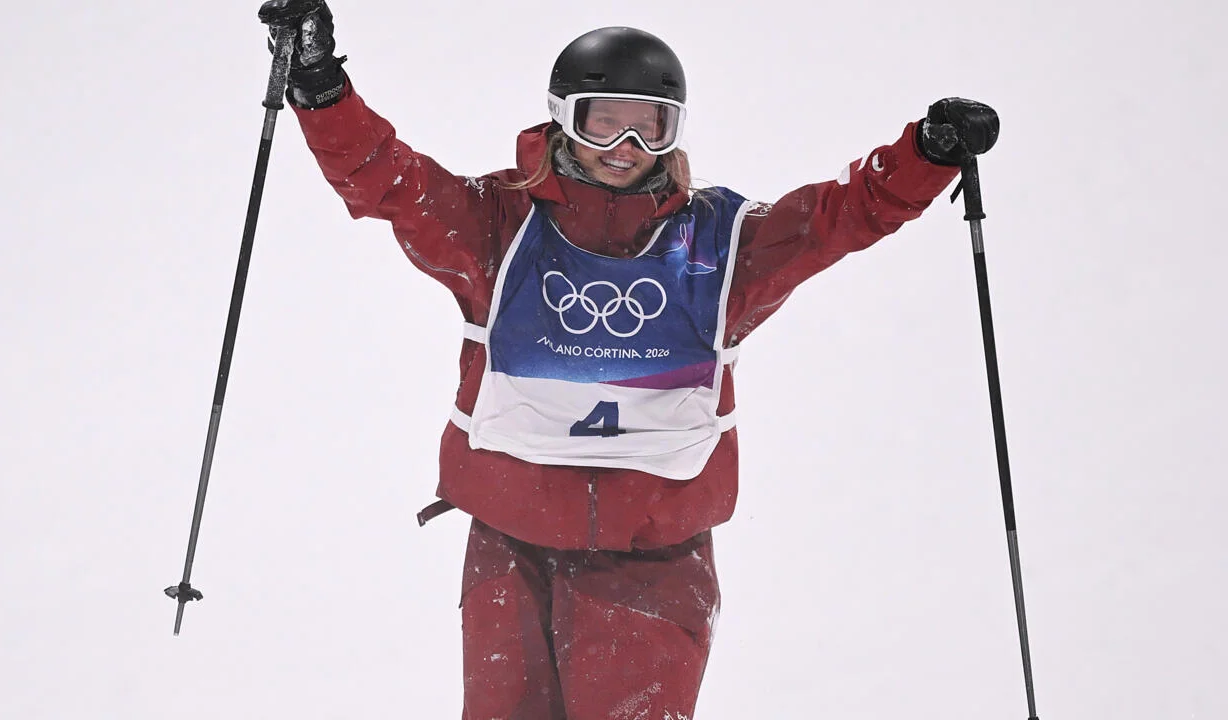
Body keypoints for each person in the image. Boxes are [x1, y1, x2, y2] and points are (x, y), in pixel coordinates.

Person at [256, 2, 999, 717]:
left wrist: (924, 157)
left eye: (650, 127)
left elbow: (837, 219)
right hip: (510, 544)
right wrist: (322, 90)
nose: (625, 148)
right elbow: (390, 181)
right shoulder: (497, 225)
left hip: (652, 558)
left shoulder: (720, 245)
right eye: (601, 122)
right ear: (561, 119)